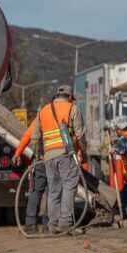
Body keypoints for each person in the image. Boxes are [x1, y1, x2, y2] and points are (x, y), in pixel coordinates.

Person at [29, 85, 86, 234]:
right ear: (70, 96)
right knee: (69, 187)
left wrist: (38, 155)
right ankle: (65, 223)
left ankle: (52, 226)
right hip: (66, 155)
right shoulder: (71, 108)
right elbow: (80, 135)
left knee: (54, 191)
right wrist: (84, 152)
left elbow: (34, 138)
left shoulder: (44, 111)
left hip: (48, 157)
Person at [11, 115, 48, 235]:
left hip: (40, 160)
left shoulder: (43, 116)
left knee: (36, 191)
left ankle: (31, 225)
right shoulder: (64, 116)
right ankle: (49, 225)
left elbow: (27, 136)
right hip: (57, 159)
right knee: (53, 193)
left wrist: (17, 154)